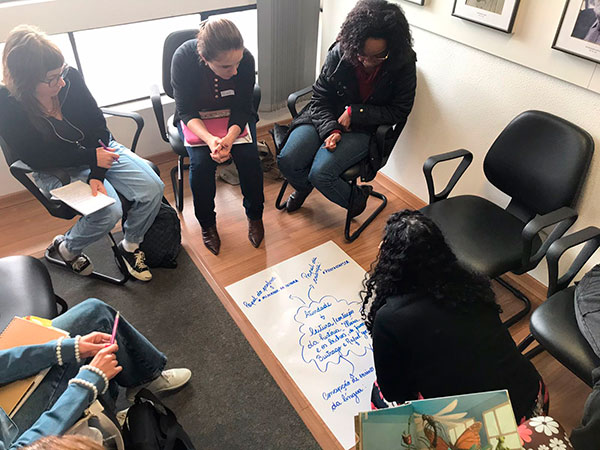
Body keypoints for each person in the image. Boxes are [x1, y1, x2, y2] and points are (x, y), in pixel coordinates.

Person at [0, 25, 165, 282]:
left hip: (99, 148)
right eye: (52, 78)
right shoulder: (7, 102)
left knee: (153, 187)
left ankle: (130, 246)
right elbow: (34, 157)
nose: (62, 81)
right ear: (26, 81)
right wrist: (91, 159)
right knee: (109, 212)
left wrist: (98, 171)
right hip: (58, 167)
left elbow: (97, 124)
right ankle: (67, 248)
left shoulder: (70, 78)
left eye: (61, 72)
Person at [361, 210, 547, 423]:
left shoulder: (390, 318)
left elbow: (394, 392)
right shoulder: (473, 285)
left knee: (380, 394)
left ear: (388, 258)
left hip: (489, 432)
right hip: (534, 400)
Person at [277, 0, 416, 217]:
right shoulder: (340, 53)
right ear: (353, 44)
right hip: (325, 116)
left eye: (378, 56)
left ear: (391, 48)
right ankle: (304, 189)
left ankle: (357, 200)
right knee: (288, 159)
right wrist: (330, 130)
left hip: (365, 129)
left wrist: (356, 112)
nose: (368, 62)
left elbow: (399, 110)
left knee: (321, 174)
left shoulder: (403, 63)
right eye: (362, 54)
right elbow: (320, 97)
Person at [1, 298, 192, 450]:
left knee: (96, 313)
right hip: (14, 437)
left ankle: (143, 380)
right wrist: (87, 384)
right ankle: (108, 420)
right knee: (93, 374)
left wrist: (68, 348)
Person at [171, 18, 264, 256]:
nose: (234, 71)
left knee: (250, 158)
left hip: (234, 117)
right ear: (205, 59)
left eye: (238, 63)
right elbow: (185, 110)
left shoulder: (246, 59)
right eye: (225, 67)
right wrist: (211, 139)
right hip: (197, 120)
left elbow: (244, 106)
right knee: (201, 165)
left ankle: (255, 215)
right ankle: (207, 224)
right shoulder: (183, 58)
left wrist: (230, 137)